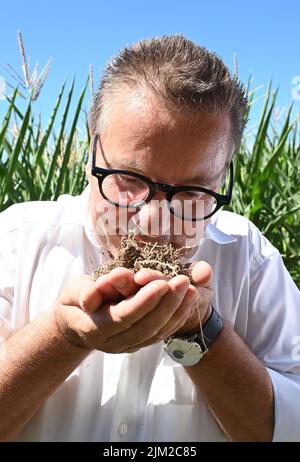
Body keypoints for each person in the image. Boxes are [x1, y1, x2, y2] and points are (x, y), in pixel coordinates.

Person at [0, 35, 299, 443]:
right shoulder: (16, 241)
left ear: (224, 174)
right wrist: (62, 335)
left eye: (194, 192)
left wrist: (201, 333)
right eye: (128, 179)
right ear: (92, 154)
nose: (155, 224)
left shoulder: (250, 258)